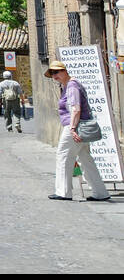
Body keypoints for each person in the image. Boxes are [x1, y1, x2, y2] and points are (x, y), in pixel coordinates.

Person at [46, 60, 110, 202]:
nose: (54, 75)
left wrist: (73, 128)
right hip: (79, 126)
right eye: (52, 73)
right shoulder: (68, 85)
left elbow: (76, 108)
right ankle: (100, 192)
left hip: (75, 126)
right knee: (85, 159)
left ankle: (63, 192)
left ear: (64, 71)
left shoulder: (72, 86)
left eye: (56, 72)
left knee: (63, 156)